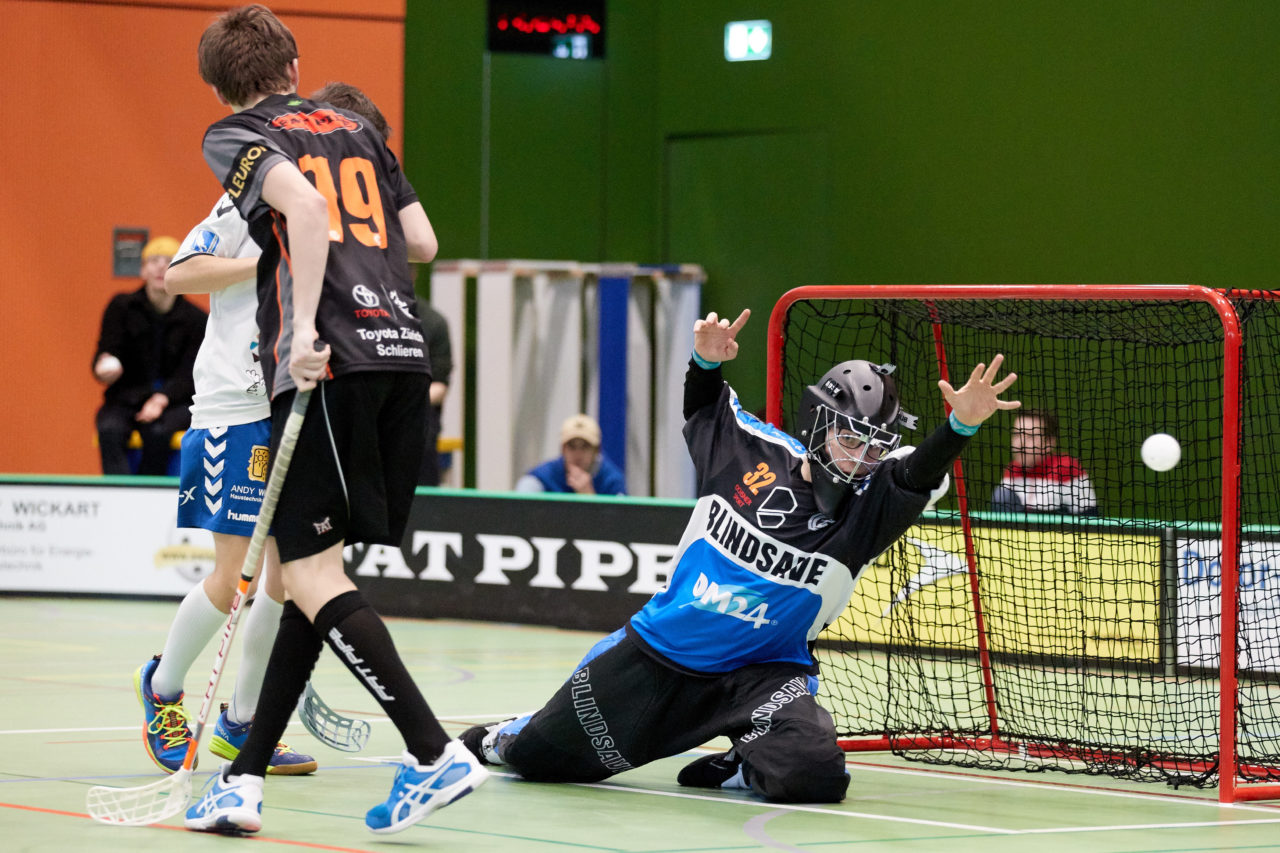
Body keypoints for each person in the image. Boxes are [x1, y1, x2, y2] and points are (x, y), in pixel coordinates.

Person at [461, 308, 1019, 803]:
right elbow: (704, 409)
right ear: (818, 423)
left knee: (815, 775)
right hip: (660, 654)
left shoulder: (869, 509)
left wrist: (961, 425)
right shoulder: (750, 453)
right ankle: (508, 733)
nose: (859, 460)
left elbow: (915, 473)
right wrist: (705, 362)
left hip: (762, 676)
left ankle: (739, 765)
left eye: (874, 447)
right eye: (850, 440)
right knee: (538, 761)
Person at [184, 5, 486, 836]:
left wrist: (304, 331)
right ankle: (243, 779)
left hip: (330, 364)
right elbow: (420, 240)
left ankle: (434, 752)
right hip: (403, 356)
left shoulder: (237, 134)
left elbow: (309, 213)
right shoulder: (357, 126)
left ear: (219, 87)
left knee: (312, 577)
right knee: (306, 579)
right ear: (294, 64)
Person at [132, 79, 405, 785]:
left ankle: (242, 723)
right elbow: (183, 271)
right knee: (235, 580)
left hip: (292, 402)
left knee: (284, 581)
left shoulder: (354, 221)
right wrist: (269, 259)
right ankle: (162, 689)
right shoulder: (253, 194)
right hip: (233, 404)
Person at [93, 237, 207, 475]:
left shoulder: (197, 319)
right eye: (154, 261)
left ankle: (148, 493)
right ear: (143, 270)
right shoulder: (122, 307)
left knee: (158, 432)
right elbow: (107, 350)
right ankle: (118, 492)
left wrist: (162, 398)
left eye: (169, 261)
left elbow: (192, 372)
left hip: (175, 403)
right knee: (109, 428)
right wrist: (103, 367)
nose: (161, 267)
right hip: (127, 398)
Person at [989, 408, 1098, 515]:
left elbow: (1090, 517)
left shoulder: (1067, 468)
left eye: (1030, 436)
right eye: (1017, 435)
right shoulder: (1012, 469)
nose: (1020, 444)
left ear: (1049, 442)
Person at [514, 414, 627, 495]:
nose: (578, 454)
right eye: (572, 446)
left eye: (585, 447)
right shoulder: (546, 476)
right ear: (563, 449)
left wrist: (590, 499)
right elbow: (523, 500)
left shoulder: (612, 481)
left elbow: (622, 518)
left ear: (596, 451)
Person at [415, 296, 453, 486]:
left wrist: (401, 400)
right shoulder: (362, 314)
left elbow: (439, 385)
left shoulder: (432, 321)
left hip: (418, 428)